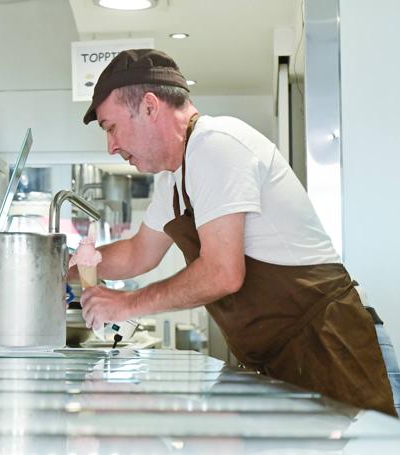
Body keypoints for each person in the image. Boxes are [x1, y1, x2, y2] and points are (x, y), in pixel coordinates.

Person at [77, 48, 399, 416]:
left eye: (111, 127)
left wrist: (125, 304)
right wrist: (57, 269)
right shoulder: (173, 180)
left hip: (331, 347)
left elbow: (222, 273)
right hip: (276, 361)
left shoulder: (217, 145)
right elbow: (138, 253)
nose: (112, 146)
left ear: (150, 107)